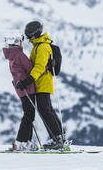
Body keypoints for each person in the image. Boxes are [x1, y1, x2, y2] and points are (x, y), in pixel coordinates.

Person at [16, 21, 64, 150]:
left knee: (45, 111)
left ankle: (58, 139)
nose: (28, 39)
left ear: (36, 33)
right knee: (47, 110)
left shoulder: (42, 47)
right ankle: (59, 138)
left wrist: (28, 81)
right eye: (27, 36)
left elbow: (39, 67)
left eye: (30, 36)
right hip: (40, 83)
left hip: (43, 83)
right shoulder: (37, 46)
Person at [2, 33, 38, 151]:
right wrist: (45, 67)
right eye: (21, 41)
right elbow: (31, 70)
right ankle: (21, 141)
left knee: (28, 114)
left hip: (21, 90)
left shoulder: (11, 56)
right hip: (27, 89)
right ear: (17, 42)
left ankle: (25, 141)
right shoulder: (19, 55)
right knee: (29, 115)